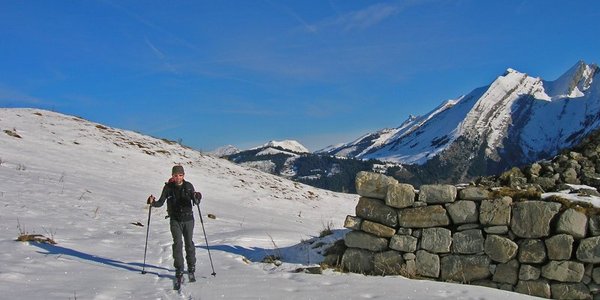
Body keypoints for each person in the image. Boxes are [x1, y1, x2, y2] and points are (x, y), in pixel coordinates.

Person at [147, 165, 202, 283]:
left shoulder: (188, 186)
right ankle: (179, 268)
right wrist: (152, 203)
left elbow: (195, 201)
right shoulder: (168, 188)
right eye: (175, 175)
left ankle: (191, 266)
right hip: (175, 220)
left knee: (189, 243)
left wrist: (197, 197)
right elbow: (161, 202)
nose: (178, 178)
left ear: (183, 175)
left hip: (188, 220)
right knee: (177, 243)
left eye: (180, 175)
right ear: (172, 175)